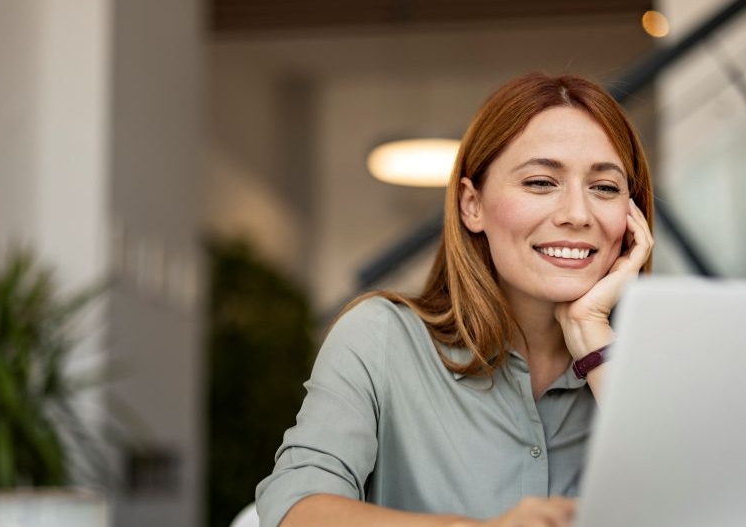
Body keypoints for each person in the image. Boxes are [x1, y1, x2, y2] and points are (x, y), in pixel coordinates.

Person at [256, 72, 655, 527]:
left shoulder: (654, 361)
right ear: (472, 205)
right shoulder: (381, 338)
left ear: (632, 213)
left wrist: (594, 341)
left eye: (604, 187)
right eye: (541, 182)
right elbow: (295, 509)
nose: (578, 215)